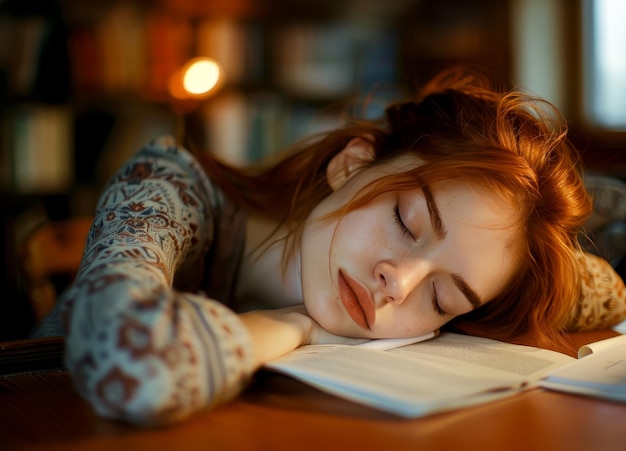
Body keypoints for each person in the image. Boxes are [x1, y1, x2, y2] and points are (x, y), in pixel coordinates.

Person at [35, 68, 593, 425]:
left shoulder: (472, 284)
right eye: (406, 220)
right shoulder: (169, 189)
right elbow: (136, 364)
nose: (398, 285)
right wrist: (292, 325)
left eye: (443, 300)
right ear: (350, 164)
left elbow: (603, 289)